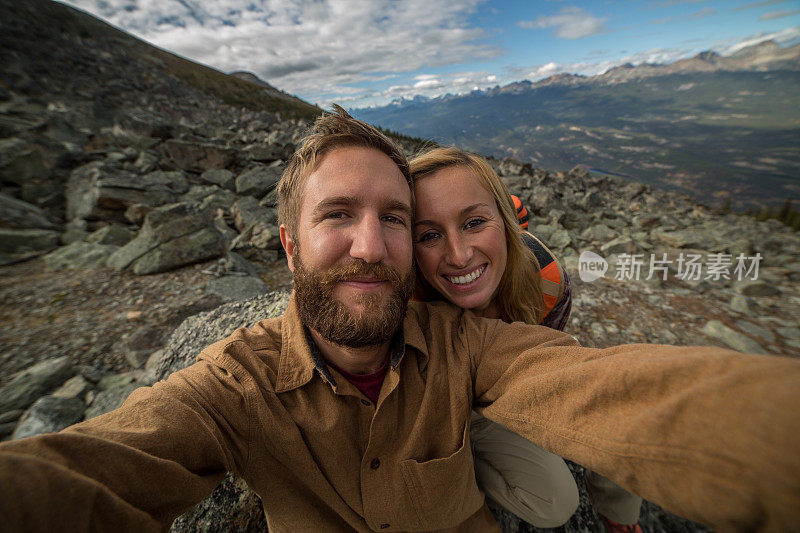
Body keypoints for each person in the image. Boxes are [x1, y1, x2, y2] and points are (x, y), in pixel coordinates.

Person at [0, 106, 798, 532]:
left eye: (392, 217)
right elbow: (91, 470)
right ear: (287, 244)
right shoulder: (234, 384)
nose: (371, 244)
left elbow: (618, 395)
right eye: (338, 214)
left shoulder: (466, 340)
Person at [410, 146, 643, 532]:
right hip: (449, 407)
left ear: (506, 221)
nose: (459, 254)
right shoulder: (403, 299)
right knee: (554, 503)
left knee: (619, 402)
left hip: (508, 384)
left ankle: (615, 509)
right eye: (430, 234)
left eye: (474, 223)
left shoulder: (546, 281)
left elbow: (542, 364)